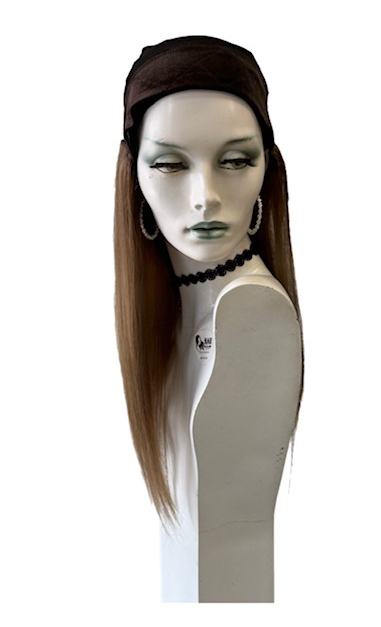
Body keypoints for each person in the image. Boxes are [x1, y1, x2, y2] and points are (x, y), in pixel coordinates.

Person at [114, 36, 304, 601]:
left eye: (235, 161)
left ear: (267, 170)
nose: (205, 197)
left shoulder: (251, 313)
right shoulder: (177, 309)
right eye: (171, 164)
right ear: (135, 176)